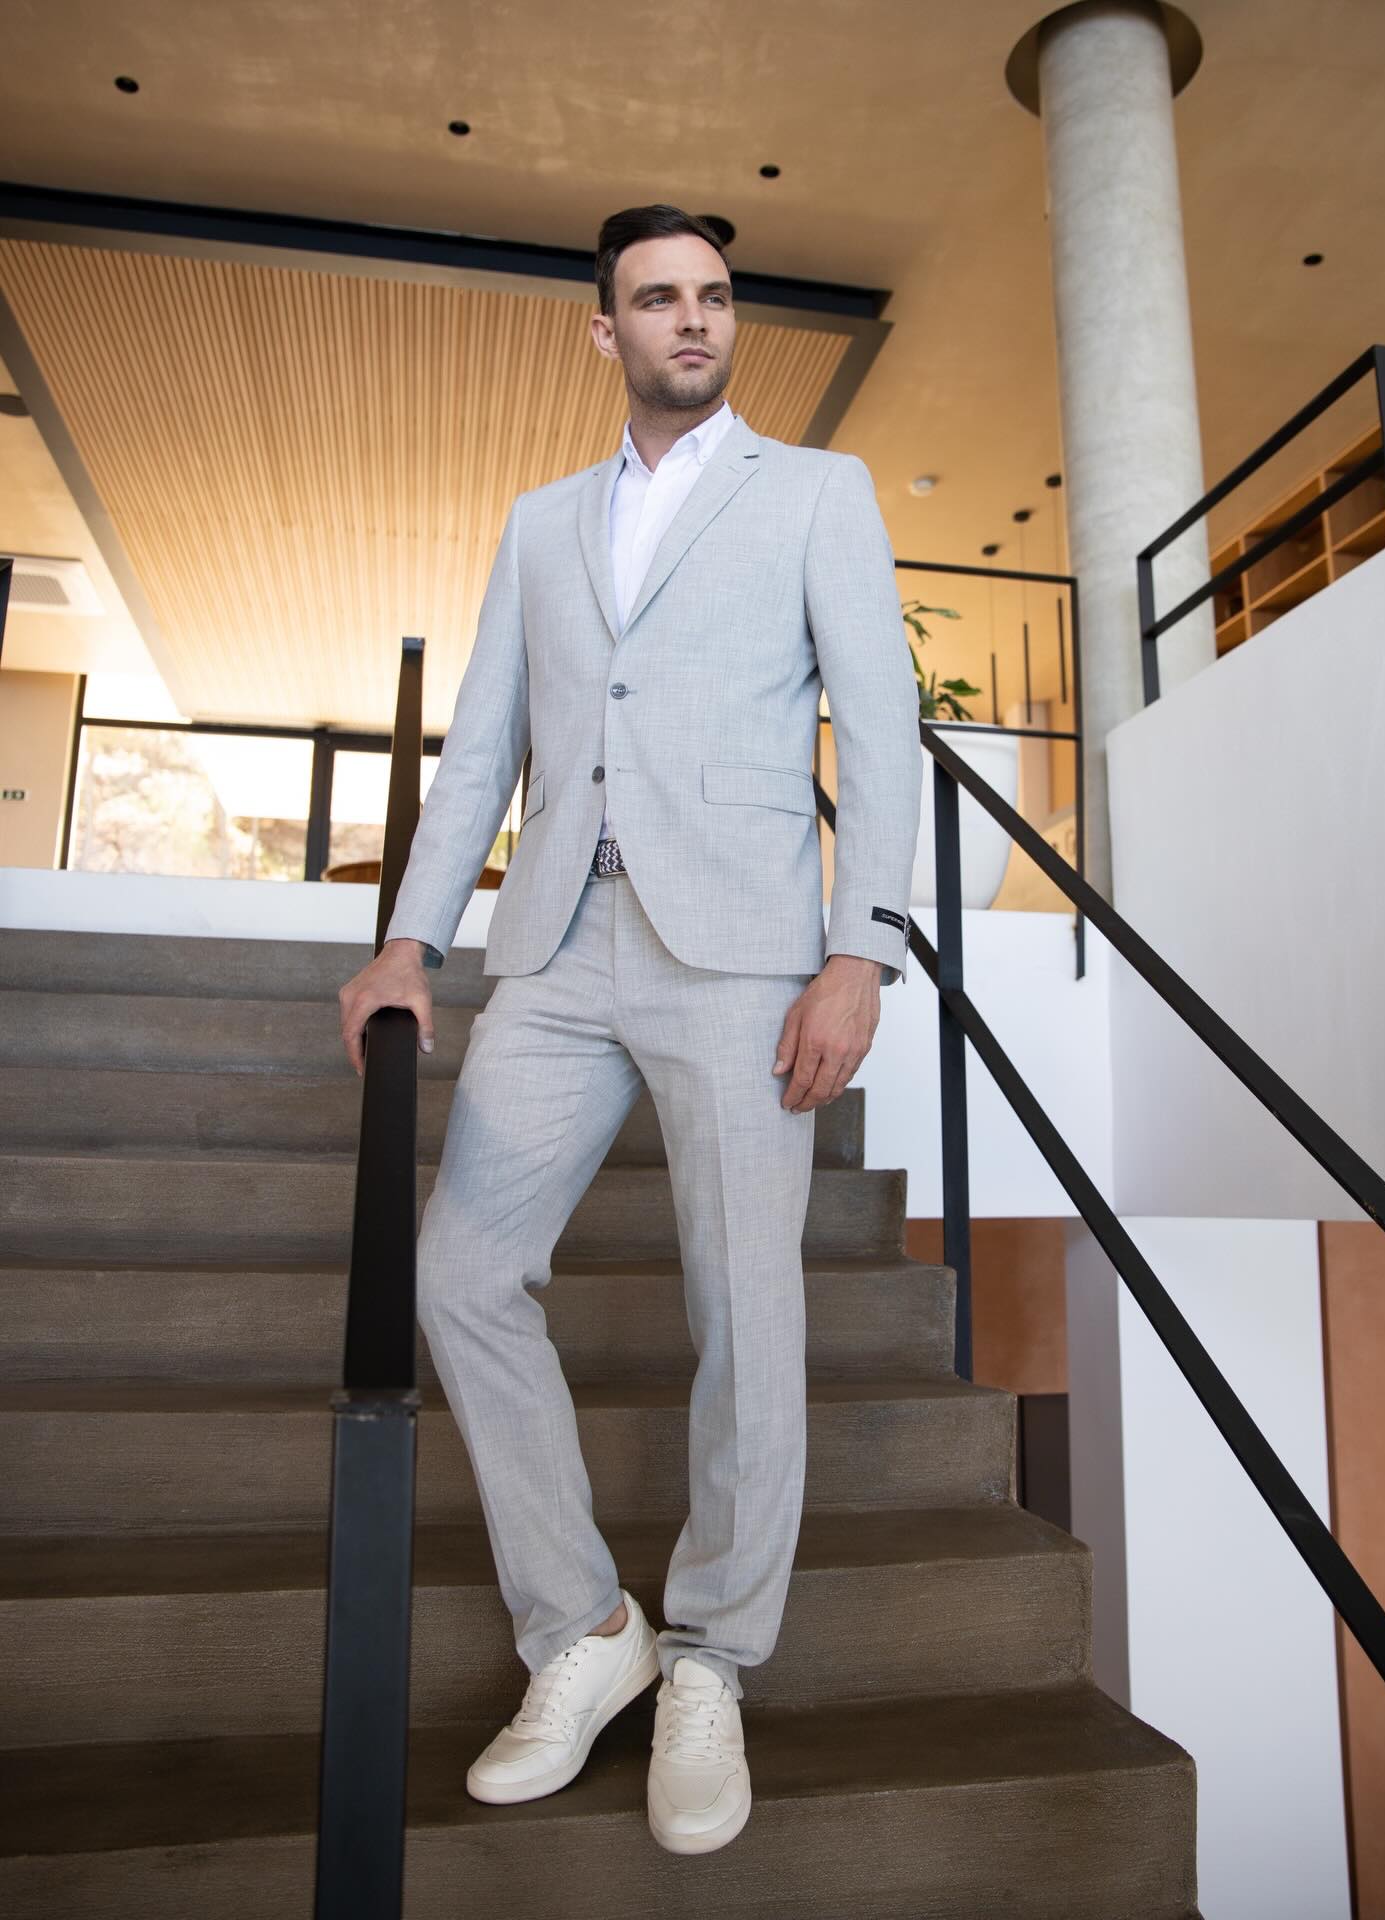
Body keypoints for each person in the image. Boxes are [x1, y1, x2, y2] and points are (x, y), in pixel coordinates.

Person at [337, 202, 921, 1856]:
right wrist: (408, 942)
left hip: (743, 952)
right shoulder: (540, 523)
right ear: (607, 330)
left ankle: (712, 1652)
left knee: (746, 1305)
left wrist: (861, 953)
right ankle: (586, 1629)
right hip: (558, 948)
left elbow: (882, 725)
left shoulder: (815, 491)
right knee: (458, 1272)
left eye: (714, 296)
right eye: (659, 298)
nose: (693, 319)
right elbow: (481, 748)